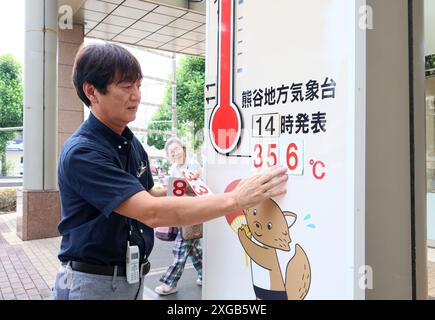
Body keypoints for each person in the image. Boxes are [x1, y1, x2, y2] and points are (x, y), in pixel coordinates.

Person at [52, 43, 288, 300]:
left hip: (131, 278)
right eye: (125, 86)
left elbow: (146, 194)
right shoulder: (84, 153)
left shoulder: (130, 143)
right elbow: (150, 212)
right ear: (92, 91)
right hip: (92, 284)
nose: (136, 95)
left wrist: (180, 186)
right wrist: (237, 199)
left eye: (139, 85)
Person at [155, 137, 203, 296]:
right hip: (181, 213)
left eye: (177, 149)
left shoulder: (193, 164)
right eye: (171, 152)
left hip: (193, 213)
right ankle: (205, 274)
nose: (175, 153)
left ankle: (170, 283)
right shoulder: (175, 168)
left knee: (180, 250)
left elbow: (198, 187)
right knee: (193, 249)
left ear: (184, 149)